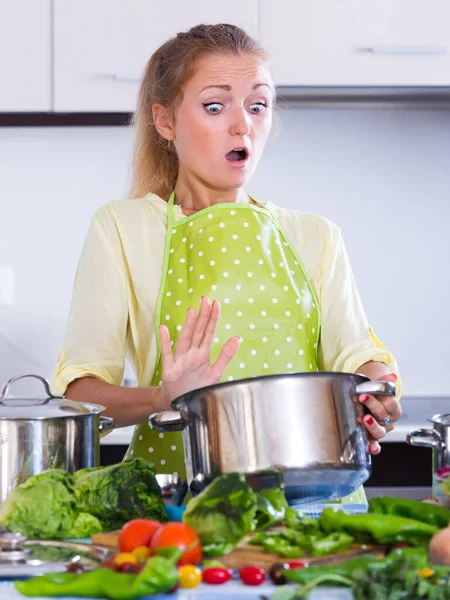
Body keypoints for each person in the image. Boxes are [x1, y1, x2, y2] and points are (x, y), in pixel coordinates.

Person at [51, 23, 401, 504]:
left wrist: (377, 390)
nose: (243, 126)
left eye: (257, 106)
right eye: (215, 106)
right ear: (165, 121)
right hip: (181, 515)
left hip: (314, 507)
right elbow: (81, 397)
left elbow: (355, 354)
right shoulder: (122, 229)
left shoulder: (314, 235)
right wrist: (163, 397)